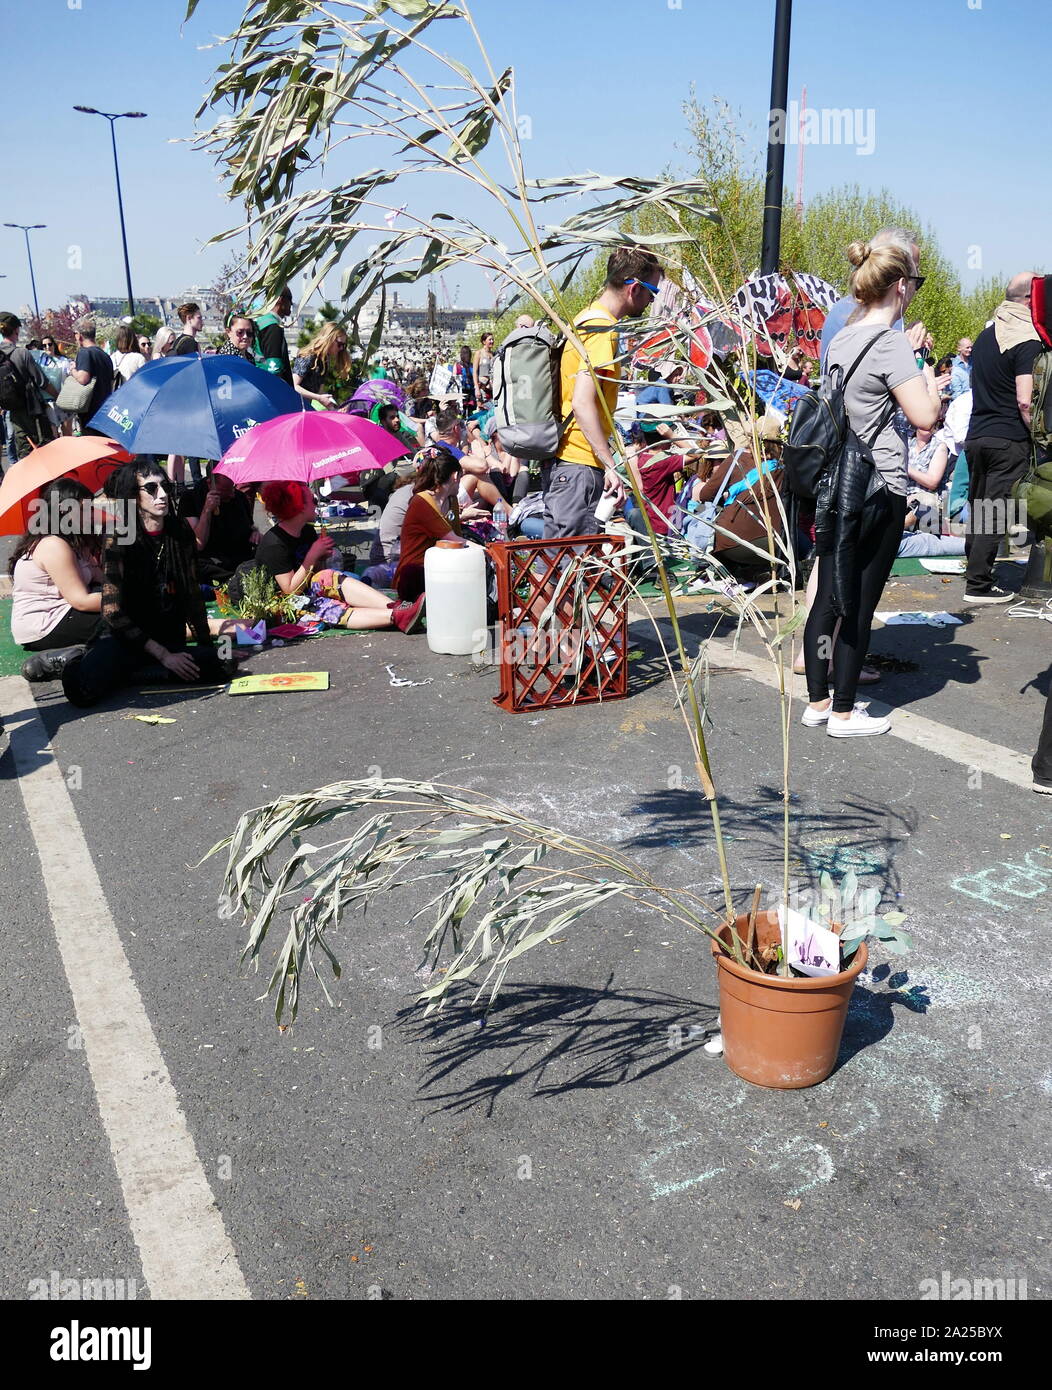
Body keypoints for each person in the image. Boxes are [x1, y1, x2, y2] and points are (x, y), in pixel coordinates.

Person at [802, 238, 942, 737]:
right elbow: (924, 417)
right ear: (901, 287)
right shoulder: (889, 343)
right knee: (860, 600)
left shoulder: (840, 337)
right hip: (878, 484)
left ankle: (817, 703)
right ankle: (843, 712)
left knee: (826, 598)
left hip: (836, 481)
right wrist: (928, 376)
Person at [61, 462, 233, 708]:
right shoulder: (118, 535)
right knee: (82, 690)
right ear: (133, 496)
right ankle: (74, 659)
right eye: (151, 488)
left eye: (164, 486)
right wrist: (163, 655)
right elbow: (112, 612)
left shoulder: (179, 530)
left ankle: (135, 673)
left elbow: (192, 595)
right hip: (126, 638)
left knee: (224, 664)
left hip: (166, 633)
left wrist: (207, 647)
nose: (162, 494)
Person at [544, 246, 663, 539]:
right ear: (634, 289)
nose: (651, 301)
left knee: (556, 563)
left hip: (565, 462)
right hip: (580, 464)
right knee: (574, 564)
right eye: (653, 293)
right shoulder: (602, 328)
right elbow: (582, 402)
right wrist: (610, 465)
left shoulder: (585, 318)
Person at [961, 272, 1042, 604]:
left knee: (979, 506)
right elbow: (1025, 399)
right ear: (1028, 300)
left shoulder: (985, 336)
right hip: (1008, 437)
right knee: (994, 512)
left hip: (977, 434)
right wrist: (1037, 434)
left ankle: (974, 569)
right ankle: (978, 586)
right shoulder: (1025, 339)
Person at [254, 480, 424, 631]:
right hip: (282, 606)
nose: (316, 504)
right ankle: (395, 616)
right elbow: (290, 591)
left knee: (327, 576)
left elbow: (317, 576)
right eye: (312, 500)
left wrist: (321, 558)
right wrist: (312, 556)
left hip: (306, 592)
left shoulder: (306, 531)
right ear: (298, 508)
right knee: (325, 606)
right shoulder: (274, 544)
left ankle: (395, 606)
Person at [10, 478, 104, 680]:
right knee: (125, 622)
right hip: (45, 625)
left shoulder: (76, 540)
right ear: (64, 510)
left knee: (130, 620)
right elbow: (82, 600)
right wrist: (128, 597)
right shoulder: (53, 544)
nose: (90, 515)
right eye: (84, 510)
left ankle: (81, 652)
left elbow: (101, 578)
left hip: (64, 612)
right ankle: (69, 657)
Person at [393, 446, 470, 602]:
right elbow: (454, 540)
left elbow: (458, 541)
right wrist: (491, 552)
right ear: (455, 476)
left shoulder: (451, 500)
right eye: (461, 478)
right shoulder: (422, 501)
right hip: (414, 576)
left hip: (438, 569)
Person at [179, 470, 258, 585]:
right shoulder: (190, 499)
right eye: (224, 491)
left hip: (240, 556)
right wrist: (207, 510)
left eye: (232, 488)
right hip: (212, 561)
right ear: (210, 483)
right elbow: (198, 544)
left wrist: (255, 532)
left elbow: (250, 526)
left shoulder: (239, 497)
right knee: (196, 564)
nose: (231, 494)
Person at [0, 311, 56, 456]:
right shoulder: (21, 353)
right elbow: (42, 382)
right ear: (16, 330)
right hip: (32, 410)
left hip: (12, 410)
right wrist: (59, 397)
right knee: (42, 449)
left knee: (24, 451)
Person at [68, 319, 114, 438]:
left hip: (90, 411)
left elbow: (83, 378)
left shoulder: (85, 353)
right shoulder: (105, 355)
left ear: (79, 335)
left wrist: (73, 370)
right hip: (104, 409)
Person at [292, 323, 351, 408]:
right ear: (329, 339)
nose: (341, 348)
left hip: (305, 407)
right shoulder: (309, 356)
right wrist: (319, 398)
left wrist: (335, 408)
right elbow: (294, 386)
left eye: (344, 345)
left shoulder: (324, 360)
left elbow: (320, 392)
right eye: (340, 344)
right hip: (294, 406)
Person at [254, 287, 294, 386]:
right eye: (290, 299)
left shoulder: (260, 321)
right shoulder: (272, 326)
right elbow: (274, 368)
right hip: (270, 386)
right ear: (280, 299)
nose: (291, 304)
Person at [472, 332, 495, 406]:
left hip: (491, 387)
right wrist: (476, 388)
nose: (492, 341)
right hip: (482, 386)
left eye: (492, 339)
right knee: (482, 408)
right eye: (490, 340)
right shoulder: (479, 353)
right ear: (484, 342)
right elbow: (475, 372)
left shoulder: (493, 354)